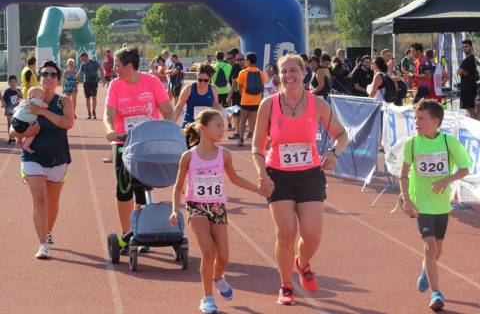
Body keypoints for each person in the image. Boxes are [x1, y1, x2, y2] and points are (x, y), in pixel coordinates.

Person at [252, 54, 348, 306]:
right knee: (286, 233)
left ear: (304, 72)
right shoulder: (269, 105)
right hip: (278, 174)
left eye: (293, 70)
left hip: (309, 174)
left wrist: (333, 153)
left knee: (312, 234)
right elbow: (257, 147)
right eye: (283, 72)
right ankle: (285, 284)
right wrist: (262, 174)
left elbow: (342, 134)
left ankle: (302, 263)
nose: (288, 75)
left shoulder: (317, 104)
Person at [170, 109, 259, 314]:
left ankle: (218, 278)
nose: (222, 130)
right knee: (208, 252)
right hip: (197, 206)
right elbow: (177, 187)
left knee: (224, 257)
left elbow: (235, 179)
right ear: (203, 128)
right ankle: (207, 298)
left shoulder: (224, 155)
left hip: (217, 207)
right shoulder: (188, 157)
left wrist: (258, 189)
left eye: (223, 125)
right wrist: (175, 210)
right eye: (218, 126)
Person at [399, 99, 471, 312]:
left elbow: (465, 169)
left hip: (441, 205)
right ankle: (436, 293)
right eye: (415, 118)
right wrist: (406, 198)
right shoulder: (411, 143)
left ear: (435, 121)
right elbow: (403, 174)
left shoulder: (449, 143)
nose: (416, 122)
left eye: (421, 119)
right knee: (430, 247)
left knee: (437, 250)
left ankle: (425, 271)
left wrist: (446, 179)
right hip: (421, 204)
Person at [103, 46, 174, 253]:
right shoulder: (115, 85)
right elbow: (108, 115)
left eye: (117, 65)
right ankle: (127, 234)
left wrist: (169, 129)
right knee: (124, 188)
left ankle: (142, 230)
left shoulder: (151, 82)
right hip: (123, 143)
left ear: (130, 65)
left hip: (149, 143)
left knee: (142, 188)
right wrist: (109, 130)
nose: (114, 69)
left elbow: (167, 110)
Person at [9, 60, 75, 259]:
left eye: (53, 74)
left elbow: (67, 123)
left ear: (58, 79)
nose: (48, 77)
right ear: (39, 77)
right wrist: (28, 131)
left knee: (53, 204)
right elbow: (13, 130)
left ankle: (47, 231)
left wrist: (43, 112)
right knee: (40, 200)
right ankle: (42, 244)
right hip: (32, 157)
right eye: (45, 74)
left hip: (58, 158)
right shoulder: (27, 101)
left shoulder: (64, 101)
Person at [174, 64, 222, 147]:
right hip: (190, 125)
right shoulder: (189, 88)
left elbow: (215, 105)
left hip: (205, 126)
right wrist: (171, 123)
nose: (202, 83)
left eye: (206, 80)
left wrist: (225, 112)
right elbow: (179, 106)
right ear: (196, 78)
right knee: (191, 152)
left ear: (210, 79)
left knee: (205, 153)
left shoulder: (213, 89)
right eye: (200, 80)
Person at [236, 52, 266, 147]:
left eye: (245, 60)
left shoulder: (243, 72)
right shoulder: (260, 73)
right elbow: (262, 87)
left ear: (248, 61)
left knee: (243, 120)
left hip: (245, 100)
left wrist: (243, 95)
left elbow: (239, 87)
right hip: (256, 101)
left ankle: (241, 139)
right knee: (253, 121)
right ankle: (255, 140)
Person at [11, 87, 49, 153]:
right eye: (42, 97)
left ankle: (18, 141)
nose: (43, 99)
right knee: (33, 132)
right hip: (23, 123)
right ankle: (26, 145)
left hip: (14, 120)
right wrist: (46, 104)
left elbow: (15, 109)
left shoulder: (24, 101)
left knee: (18, 129)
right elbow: (45, 106)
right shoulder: (35, 100)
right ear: (32, 96)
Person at [77, 52, 104, 119]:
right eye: (81, 60)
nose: (83, 61)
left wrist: (103, 78)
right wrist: (76, 77)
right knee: (87, 98)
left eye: (83, 59)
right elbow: (79, 72)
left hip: (94, 82)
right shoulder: (82, 64)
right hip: (86, 83)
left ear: (86, 57)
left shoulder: (94, 62)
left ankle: (94, 112)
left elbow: (101, 69)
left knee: (94, 97)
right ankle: (89, 113)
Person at [457, 39, 479, 119]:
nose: (464, 49)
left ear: (471, 47)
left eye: (466, 47)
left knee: (471, 110)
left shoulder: (469, 59)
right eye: (463, 47)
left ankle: (475, 128)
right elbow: (460, 71)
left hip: (469, 88)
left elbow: (459, 72)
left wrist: (462, 71)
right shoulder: (470, 59)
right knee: (469, 110)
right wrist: (462, 71)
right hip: (467, 87)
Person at [226, 51, 244, 137]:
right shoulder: (236, 67)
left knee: (237, 114)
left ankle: (238, 132)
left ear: (234, 58)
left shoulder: (235, 67)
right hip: (237, 93)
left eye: (230, 58)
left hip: (237, 93)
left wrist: (229, 95)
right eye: (228, 58)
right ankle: (237, 131)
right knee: (235, 113)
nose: (229, 60)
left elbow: (234, 83)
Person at [3, 75, 22, 144]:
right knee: (9, 124)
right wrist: (6, 110)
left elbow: (22, 97)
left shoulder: (18, 90)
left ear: (16, 82)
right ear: (9, 83)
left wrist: (17, 90)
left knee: (16, 125)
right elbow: (5, 101)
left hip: (17, 111)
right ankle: (11, 138)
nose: (13, 83)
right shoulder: (7, 91)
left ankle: (17, 138)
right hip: (9, 110)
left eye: (14, 82)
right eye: (11, 82)